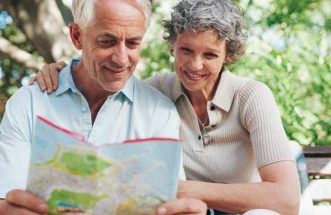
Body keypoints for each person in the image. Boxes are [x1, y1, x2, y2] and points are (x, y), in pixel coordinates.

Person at [33, 0, 300, 214]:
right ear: (173, 45)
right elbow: (104, 80)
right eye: (186, 50)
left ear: (227, 55)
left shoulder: (251, 96)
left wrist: (180, 189)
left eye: (210, 54)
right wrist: (62, 71)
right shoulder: (156, 93)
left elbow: (286, 200)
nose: (195, 65)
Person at [0, 0, 206, 214]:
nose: (121, 59)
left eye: (133, 43)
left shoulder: (159, 114)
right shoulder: (30, 102)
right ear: (77, 37)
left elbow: (167, 203)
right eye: (107, 41)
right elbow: (6, 196)